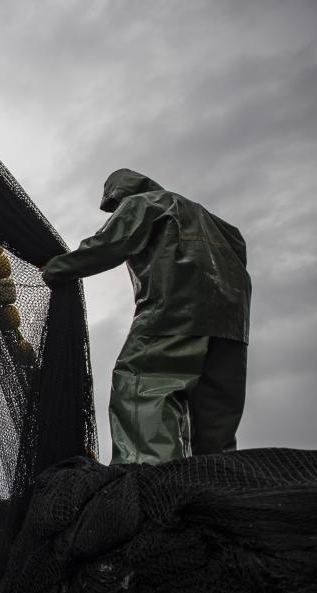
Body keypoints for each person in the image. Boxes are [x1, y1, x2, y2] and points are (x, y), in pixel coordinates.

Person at [42, 168, 251, 464]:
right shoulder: (222, 227)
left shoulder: (146, 204)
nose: (115, 211)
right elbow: (240, 252)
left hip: (175, 314)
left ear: (120, 193)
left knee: (141, 388)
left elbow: (109, 245)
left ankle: (147, 486)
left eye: (114, 206)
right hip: (232, 326)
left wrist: (56, 269)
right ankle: (218, 486)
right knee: (216, 425)